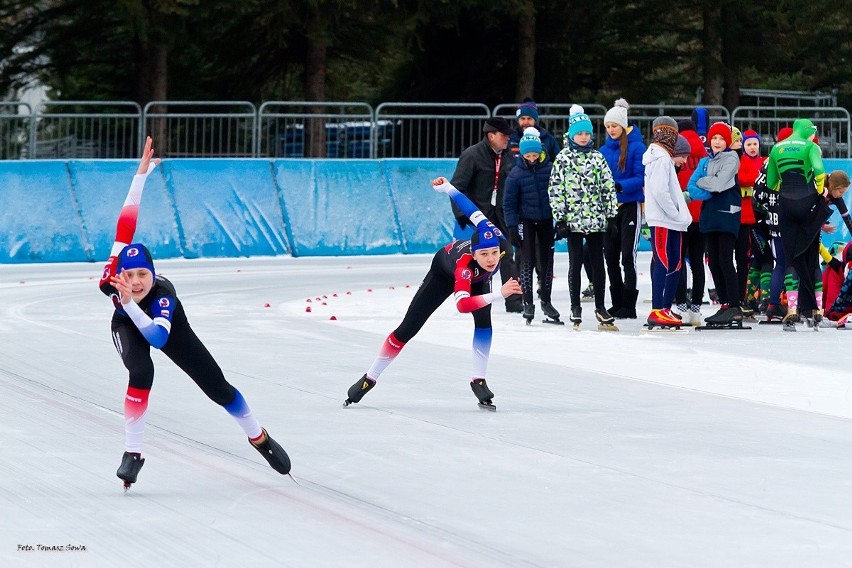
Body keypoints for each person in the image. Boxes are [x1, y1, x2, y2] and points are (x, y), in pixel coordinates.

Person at [99, 137, 290, 489]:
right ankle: (133, 453)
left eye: (144, 274)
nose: (137, 282)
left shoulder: (163, 298)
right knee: (141, 371)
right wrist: (140, 176)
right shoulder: (114, 274)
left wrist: (129, 302)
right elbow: (125, 223)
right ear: (120, 274)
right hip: (126, 321)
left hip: (165, 326)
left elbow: (158, 337)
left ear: (154, 275)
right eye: (131, 276)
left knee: (217, 387)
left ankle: (258, 436)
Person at [344, 177, 522, 410]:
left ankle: (478, 379)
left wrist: (448, 188)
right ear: (475, 254)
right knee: (408, 327)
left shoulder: (495, 237)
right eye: (484, 254)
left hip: (478, 280)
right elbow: (462, 305)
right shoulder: (465, 268)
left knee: (484, 322)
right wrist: (499, 294)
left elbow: (471, 209)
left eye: (494, 253)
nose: (491, 259)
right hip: (443, 272)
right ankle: (370, 377)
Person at [549, 105, 618, 330]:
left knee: (599, 264)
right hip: (573, 221)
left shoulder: (598, 158)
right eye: (579, 133)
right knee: (575, 262)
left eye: (587, 133)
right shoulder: (563, 158)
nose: (583, 137)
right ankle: (575, 306)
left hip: (596, 219)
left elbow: (608, 186)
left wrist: (611, 216)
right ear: (571, 134)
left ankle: (600, 305)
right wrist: (560, 219)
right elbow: (556, 189)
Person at [450, 117, 523, 313]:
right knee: (478, 258)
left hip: (501, 215)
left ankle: (514, 300)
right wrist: (464, 215)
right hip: (479, 216)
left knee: (506, 254)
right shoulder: (472, 155)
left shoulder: (510, 156)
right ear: (491, 136)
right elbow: (457, 187)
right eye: (503, 135)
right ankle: (474, 298)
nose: (508, 138)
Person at [765, 118, 827, 327]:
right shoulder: (811, 146)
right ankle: (817, 309)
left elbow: (771, 182)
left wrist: (786, 189)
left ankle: (792, 308)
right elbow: (818, 170)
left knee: (790, 258)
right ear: (809, 131)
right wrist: (819, 191)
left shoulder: (776, 148)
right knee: (812, 258)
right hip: (808, 204)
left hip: (786, 205)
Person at [687, 122, 743, 325]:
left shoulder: (731, 158)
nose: (717, 142)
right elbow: (691, 187)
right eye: (714, 138)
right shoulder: (704, 161)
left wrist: (706, 182)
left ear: (727, 141)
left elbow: (719, 184)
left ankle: (735, 305)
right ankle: (725, 304)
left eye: (721, 138)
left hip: (727, 214)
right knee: (714, 262)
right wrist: (709, 183)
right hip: (709, 216)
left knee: (726, 260)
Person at [503, 127, 560, 323]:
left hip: (545, 220)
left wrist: (560, 220)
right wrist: (512, 227)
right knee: (527, 261)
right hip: (525, 222)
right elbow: (508, 204)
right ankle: (528, 302)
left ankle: (546, 300)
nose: (532, 158)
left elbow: (559, 196)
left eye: (535, 154)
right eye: (528, 154)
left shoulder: (550, 169)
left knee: (546, 262)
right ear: (522, 153)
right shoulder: (515, 174)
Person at [598, 98, 646, 319]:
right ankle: (616, 302)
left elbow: (640, 177)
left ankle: (629, 304)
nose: (610, 130)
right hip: (609, 209)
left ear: (623, 125)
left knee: (628, 256)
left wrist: (619, 186)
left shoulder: (637, 147)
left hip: (629, 206)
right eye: (607, 127)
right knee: (611, 256)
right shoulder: (603, 150)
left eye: (614, 126)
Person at [643, 124, 692, 328]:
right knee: (664, 261)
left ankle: (664, 307)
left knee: (675, 262)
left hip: (670, 220)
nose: (685, 161)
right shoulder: (661, 159)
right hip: (664, 220)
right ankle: (657, 309)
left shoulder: (663, 159)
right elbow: (660, 192)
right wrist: (675, 213)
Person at [673, 119, 709, 325]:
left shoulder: (677, 149)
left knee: (678, 262)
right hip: (701, 213)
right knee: (697, 263)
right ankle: (696, 309)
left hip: (681, 214)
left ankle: (681, 307)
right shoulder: (704, 153)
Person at [736, 129, 767, 314]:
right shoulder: (743, 161)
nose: (752, 147)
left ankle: (755, 296)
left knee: (761, 256)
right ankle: (748, 296)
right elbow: (741, 178)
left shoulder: (764, 161)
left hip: (763, 215)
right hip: (747, 216)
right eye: (749, 144)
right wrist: (757, 180)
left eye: (755, 144)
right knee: (750, 256)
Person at [508, 99, 561, 164]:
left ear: (535, 120)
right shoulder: (509, 139)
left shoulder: (548, 139)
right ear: (518, 120)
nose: (526, 122)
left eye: (529, 118)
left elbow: (558, 162)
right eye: (522, 118)